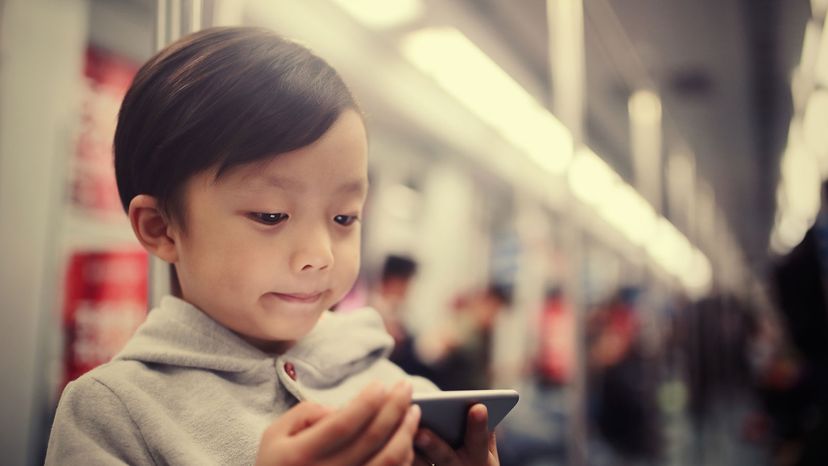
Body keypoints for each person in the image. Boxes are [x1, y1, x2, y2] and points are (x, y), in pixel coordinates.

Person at [45, 27, 501, 466]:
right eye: (270, 216)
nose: (320, 255)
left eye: (344, 218)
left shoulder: (397, 392)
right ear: (162, 228)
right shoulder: (113, 413)